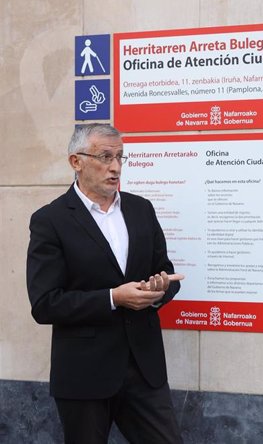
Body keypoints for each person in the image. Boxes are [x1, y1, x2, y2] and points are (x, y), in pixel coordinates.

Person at [26, 123, 184, 443]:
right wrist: (113, 298)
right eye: (105, 156)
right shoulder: (50, 220)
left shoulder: (141, 209)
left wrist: (158, 291)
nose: (115, 167)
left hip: (144, 370)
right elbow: (45, 304)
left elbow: (165, 271)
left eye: (120, 157)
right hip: (85, 374)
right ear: (76, 161)